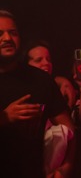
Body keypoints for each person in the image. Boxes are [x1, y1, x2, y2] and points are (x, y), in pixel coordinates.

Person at [0, 9, 76, 178]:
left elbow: (69, 130)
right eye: (0, 34)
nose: (7, 38)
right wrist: (4, 118)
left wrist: (65, 168)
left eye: (13, 33)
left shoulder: (40, 79)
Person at [25, 41, 81, 126]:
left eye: (48, 59)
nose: (46, 63)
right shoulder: (21, 91)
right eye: (38, 60)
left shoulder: (61, 91)